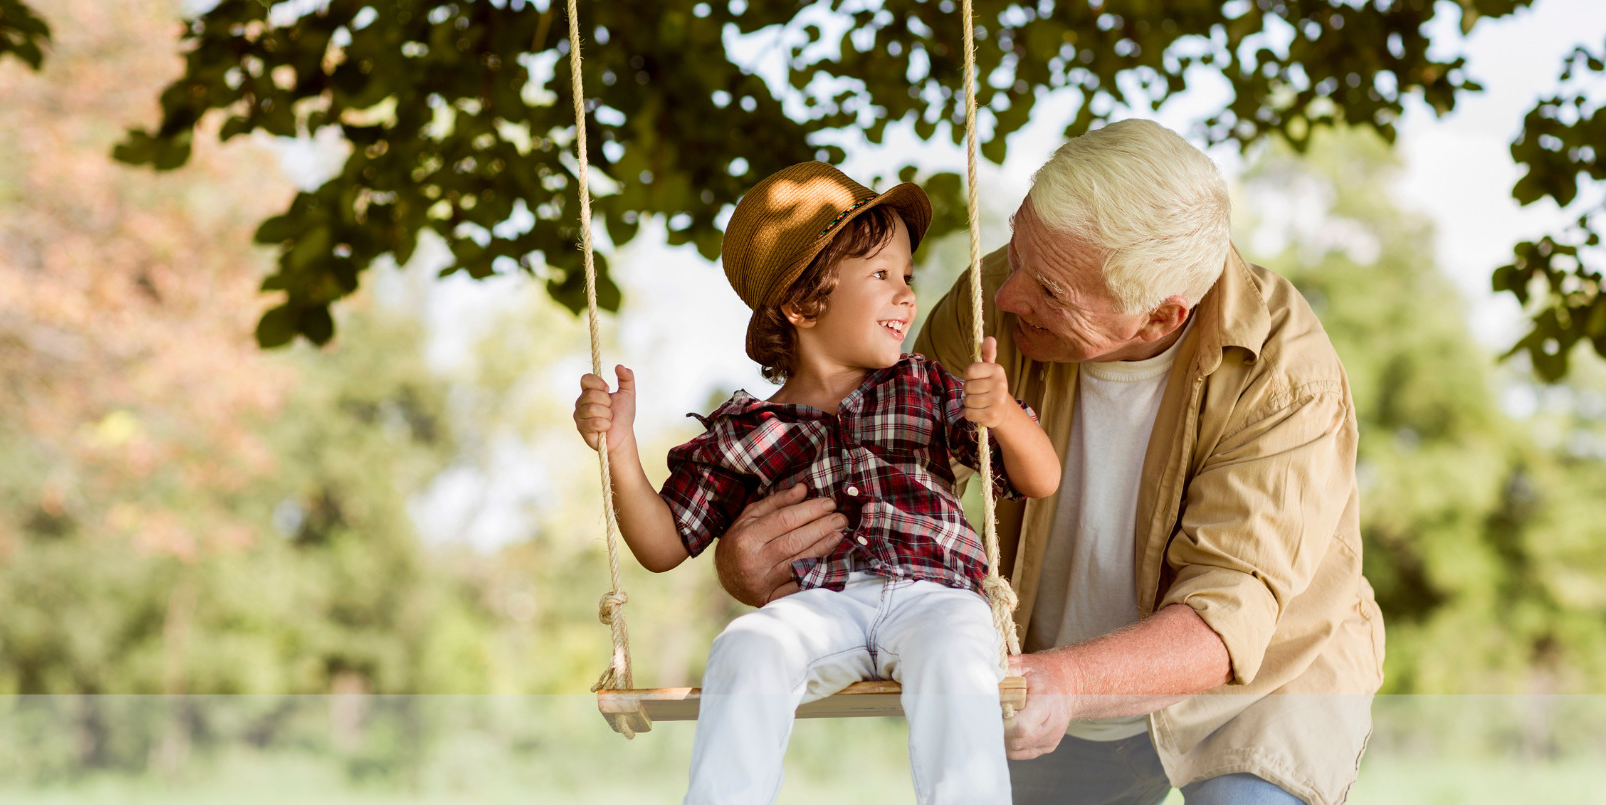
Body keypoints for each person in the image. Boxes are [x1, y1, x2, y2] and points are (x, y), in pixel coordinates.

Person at [711, 120, 1386, 805]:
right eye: (1019, 250)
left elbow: (1223, 618)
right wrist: (756, 559)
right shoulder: (996, 298)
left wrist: (1066, 678)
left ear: (1156, 317)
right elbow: (883, 480)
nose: (1006, 297)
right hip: (1043, 668)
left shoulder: (1286, 372)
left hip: (1253, 690)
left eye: (1052, 291)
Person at [572, 161, 1062, 805]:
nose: (907, 295)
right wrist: (619, 450)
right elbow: (662, 545)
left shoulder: (927, 386)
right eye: (882, 275)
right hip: (822, 606)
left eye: (907, 277)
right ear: (804, 304)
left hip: (935, 596)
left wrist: (1000, 415)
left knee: (955, 659)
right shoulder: (748, 429)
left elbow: (1041, 476)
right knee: (748, 646)